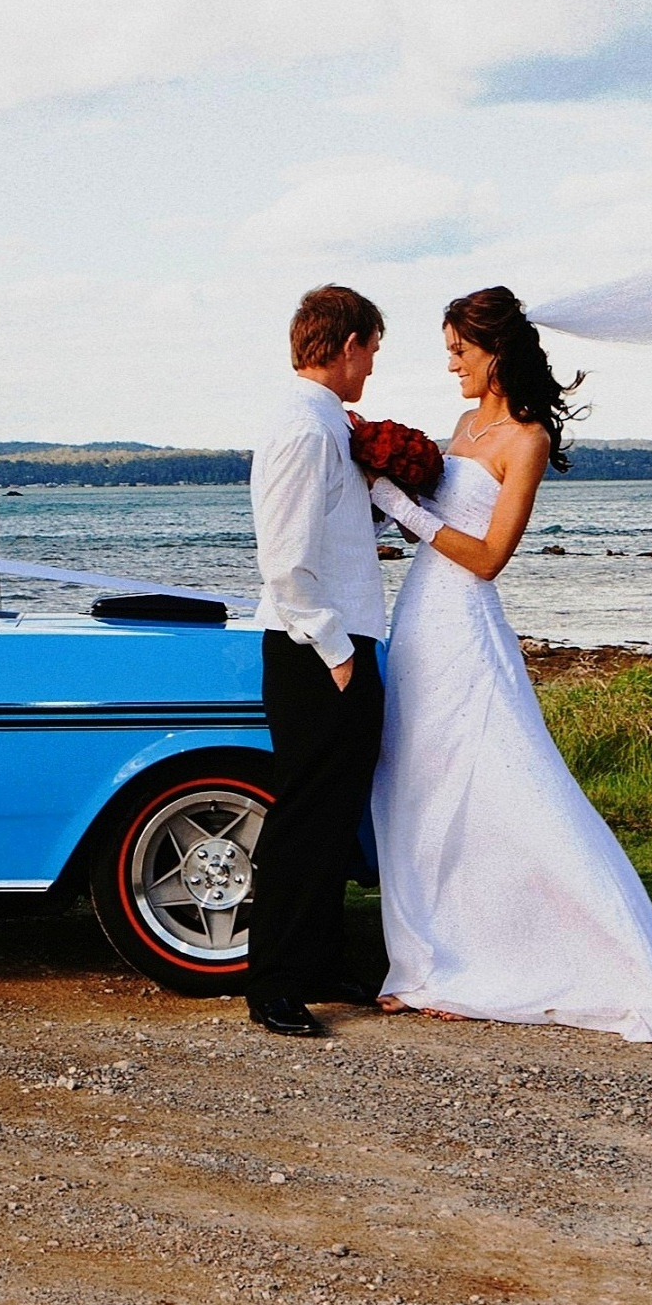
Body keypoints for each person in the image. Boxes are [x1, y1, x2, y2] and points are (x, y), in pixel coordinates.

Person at [364, 287, 652, 1042]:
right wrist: (390, 497)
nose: (451, 365)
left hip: (464, 625)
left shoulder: (526, 438)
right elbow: (438, 529)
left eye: (460, 352)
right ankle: (432, 956)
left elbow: (488, 557)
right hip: (418, 617)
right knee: (415, 786)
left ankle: (581, 960)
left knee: (501, 787)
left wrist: (403, 508)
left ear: (495, 351)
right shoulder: (464, 426)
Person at [246, 285, 390, 1039]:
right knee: (304, 818)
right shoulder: (303, 428)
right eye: (371, 350)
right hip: (316, 650)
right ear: (346, 345)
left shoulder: (329, 424)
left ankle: (322, 960)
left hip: (339, 641)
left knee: (336, 818)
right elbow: (285, 560)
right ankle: (272, 981)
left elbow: (334, 537)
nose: (371, 366)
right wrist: (336, 652)